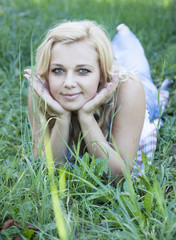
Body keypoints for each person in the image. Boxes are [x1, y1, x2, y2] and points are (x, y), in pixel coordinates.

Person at [24, 20, 169, 178]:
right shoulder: (40, 89)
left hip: (140, 94)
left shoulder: (129, 88)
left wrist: (86, 117)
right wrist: (62, 117)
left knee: (136, 63)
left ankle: (124, 32)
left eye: (83, 70)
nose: (69, 83)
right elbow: (44, 169)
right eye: (58, 70)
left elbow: (119, 175)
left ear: (101, 74)